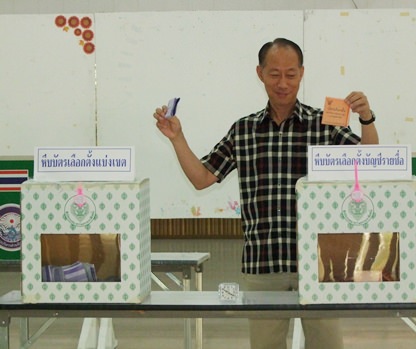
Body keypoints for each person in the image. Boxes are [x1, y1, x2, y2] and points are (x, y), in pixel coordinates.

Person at [153, 38, 379, 349]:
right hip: (262, 264)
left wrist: (367, 119)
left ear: (302, 74)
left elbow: (369, 164)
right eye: (274, 74)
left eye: (290, 74)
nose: (283, 83)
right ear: (260, 74)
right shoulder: (243, 130)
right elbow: (203, 177)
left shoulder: (325, 124)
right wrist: (177, 138)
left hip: (318, 264)